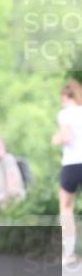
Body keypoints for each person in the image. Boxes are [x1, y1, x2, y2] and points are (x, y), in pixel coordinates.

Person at [53, 79, 82, 263]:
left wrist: (55, 139)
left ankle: (69, 253)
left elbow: (65, 137)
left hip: (72, 164)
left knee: (66, 207)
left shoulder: (65, 114)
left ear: (66, 96)